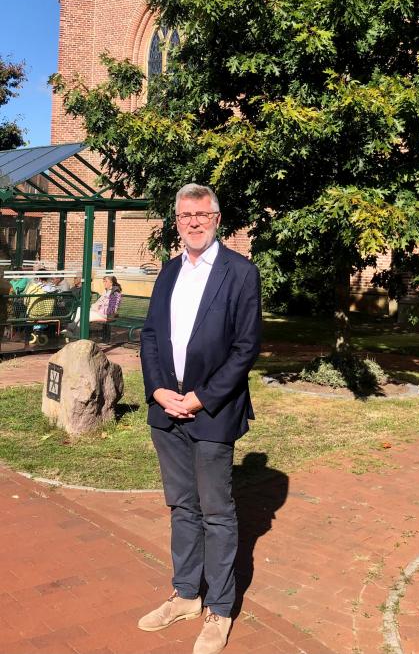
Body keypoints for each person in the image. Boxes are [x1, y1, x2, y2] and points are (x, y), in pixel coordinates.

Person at [138, 184, 261, 654]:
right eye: (185, 214)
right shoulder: (169, 272)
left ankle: (221, 609)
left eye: (201, 214)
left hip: (212, 412)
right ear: (177, 220)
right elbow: (150, 336)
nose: (193, 221)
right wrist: (157, 389)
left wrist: (200, 398)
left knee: (216, 511)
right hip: (166, 411)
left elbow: (245, 347)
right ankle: (187, 595)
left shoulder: (240, 273)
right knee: (181, 507)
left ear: (217, 218)